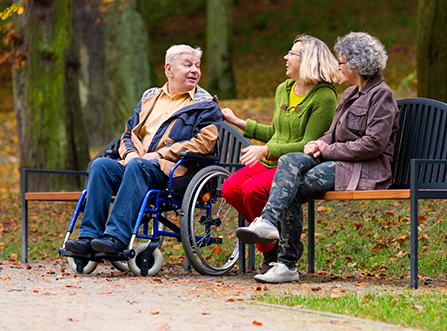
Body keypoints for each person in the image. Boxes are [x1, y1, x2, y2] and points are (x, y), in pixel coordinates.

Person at [236, 32, 400, 283]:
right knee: (289, 161)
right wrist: (319, 143)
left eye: (342, 62)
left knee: (293, 186)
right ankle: (268, 224)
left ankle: (286, 262)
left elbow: (373, 144)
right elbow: (332, 134)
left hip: (361, 169)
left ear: (357, 66)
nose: (338, 66)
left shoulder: (382, 95)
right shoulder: (350, 94)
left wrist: (327, 150)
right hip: (338, 161)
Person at [65, 44, 222, 255]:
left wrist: (159, 154)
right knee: (101, 165)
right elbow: (129, 132)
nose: (195, 70)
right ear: (169, 69)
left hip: (172, 171)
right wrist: (130, 153)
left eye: (197, 65)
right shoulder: (150, 98)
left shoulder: (206, 105)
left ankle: (116, 238)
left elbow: (204, 142)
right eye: (187, 65)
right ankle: (88, 238)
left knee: (139, 166)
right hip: (137, 165)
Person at [221, 35, 344, 273]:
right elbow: (276, 132)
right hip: (270, 162)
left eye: (292, 53)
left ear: (307, 60)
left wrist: (267, 149)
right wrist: (238, 121)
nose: (285, 57)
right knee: (230, 188)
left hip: (297, 165)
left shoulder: (324, 96)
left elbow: (309, 144)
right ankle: (273, 247)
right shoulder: (283, 89)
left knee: (252, 190)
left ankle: (275, 251)